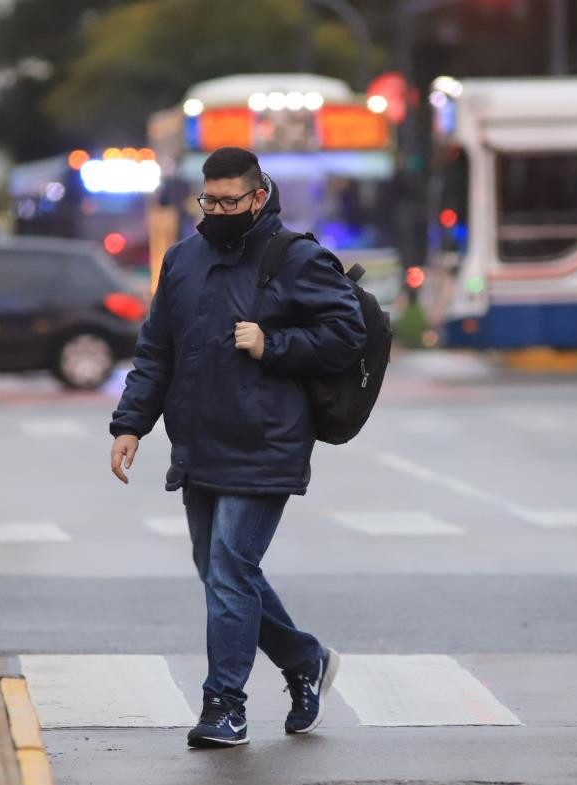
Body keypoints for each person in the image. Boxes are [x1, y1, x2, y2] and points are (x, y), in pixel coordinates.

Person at [109, 147, 367, 748]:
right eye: (210, 200)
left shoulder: (296, 258)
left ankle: (225, 704)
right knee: (223, 570)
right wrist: (130, 425)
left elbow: (347, 334)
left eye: (231, 201)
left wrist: (272, 343)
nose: (219, 210)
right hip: (200, 442)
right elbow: (157, 352)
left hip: (267, 441)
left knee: (229, 567)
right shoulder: (182, 261)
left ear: (259, 196)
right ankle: (305, 659)